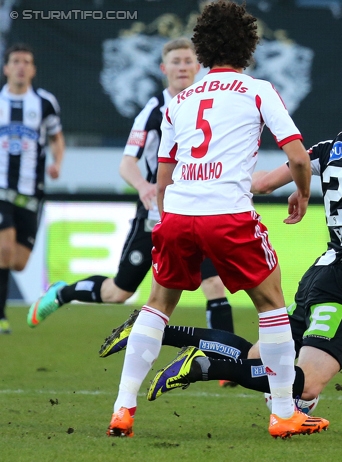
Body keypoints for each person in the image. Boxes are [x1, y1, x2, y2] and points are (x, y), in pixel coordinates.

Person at [99, 75, 342, 421]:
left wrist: (218, 173)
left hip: (319, 274)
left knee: (259, 356)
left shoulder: (327, 148)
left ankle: (168, 333)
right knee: (304, 385)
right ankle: (200, 368)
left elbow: (264, 182)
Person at [106, 0, 329, 440]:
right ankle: (284, 412)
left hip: (178, 216)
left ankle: (122, 409)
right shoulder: (258, 90)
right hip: (227, 215)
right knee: (271, 304)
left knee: (157, 305)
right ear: (249, 46)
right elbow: (298, 156)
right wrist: (302, 194)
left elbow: (164, 176)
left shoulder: (180, 101)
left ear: (202, 49)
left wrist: (171, 220)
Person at [26, 38, 236, 349]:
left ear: (198, 66)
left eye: (187, 61)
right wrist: (144, 186)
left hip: (194, 213)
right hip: (154, 217)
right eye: (175, 61)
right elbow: (127, 163)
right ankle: (62, 293)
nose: (182, 67)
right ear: (164, 68)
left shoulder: (206, 104)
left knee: (214, 283)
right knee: (118, 292)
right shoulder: (154, 110)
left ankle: (226, 361)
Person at [0, 43, 64, 334]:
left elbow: (56, 137)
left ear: (33, 69)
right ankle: (0, 316)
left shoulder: (44, 102)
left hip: (31, 191)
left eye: (26, 61)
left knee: (19, 262)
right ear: (6, 68)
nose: (21, 66)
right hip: (1, 187)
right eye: (16, 61)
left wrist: (57, 162)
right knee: (3, 249)